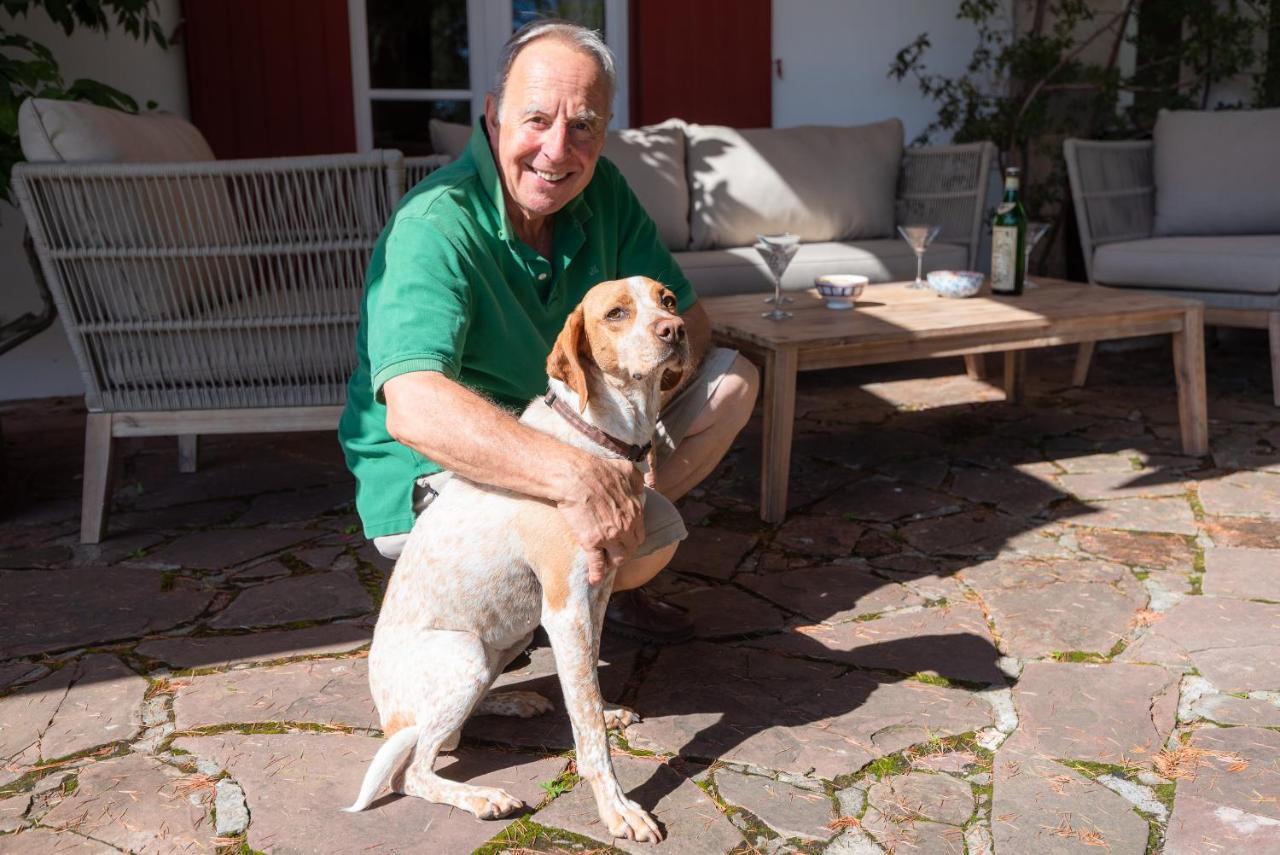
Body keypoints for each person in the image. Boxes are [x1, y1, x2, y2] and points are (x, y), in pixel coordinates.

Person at [338, 19, 758, 643]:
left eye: (583, 125)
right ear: (492, 116)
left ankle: (593, 572)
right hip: (443, 475)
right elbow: (416, 408)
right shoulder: (434, 224)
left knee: (734, 382)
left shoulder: (601, 189)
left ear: (604, 131)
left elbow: (688, 317)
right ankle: (578, 572)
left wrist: (632, 437)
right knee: (646, 545)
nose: (557, 150)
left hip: (578, 431)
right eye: (536, 119)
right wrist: (579, 476)